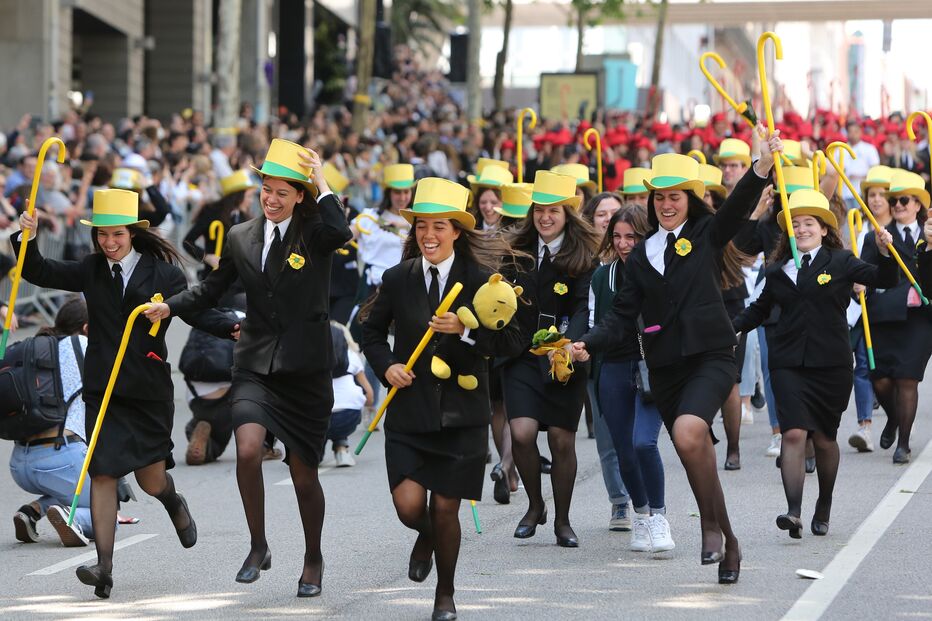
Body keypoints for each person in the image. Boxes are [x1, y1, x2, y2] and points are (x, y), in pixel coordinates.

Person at [144, 139, 351, 596]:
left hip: (306, 371)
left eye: (282, 191)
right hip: (256, 363)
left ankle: (312, 556)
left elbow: (341, 232)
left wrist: (321, 180)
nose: (271, 199)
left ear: (299, 195)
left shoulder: (315, 230)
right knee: (249, 447)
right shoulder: (241, 236)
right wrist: (170, 307)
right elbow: (211, 289)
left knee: (303, 476)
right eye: (265, 190)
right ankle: (258, 545)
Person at [574, 130, 781, 584]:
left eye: (677, 197)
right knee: (693, 452)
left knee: (689, 434)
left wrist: (761, 166)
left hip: (710, 355)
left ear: (690, 200)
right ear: (652, 201)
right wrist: (587, 341)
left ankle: (709, 527)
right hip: (666, 368)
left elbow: (735, 209)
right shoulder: (641, 255)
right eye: (661, 197)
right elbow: (621, 315)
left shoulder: (706, 233)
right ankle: (729, 541)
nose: (668, 205)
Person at [14, 189, 237, 598]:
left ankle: (173, 501)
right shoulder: (91, 268)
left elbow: (197, 310)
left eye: (116, 234)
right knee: (103, 472)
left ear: (133, 232)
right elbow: (40, 272)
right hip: (103, 388)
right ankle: (104, 566)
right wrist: (25, 238)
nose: (108, 243)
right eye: (101, 235)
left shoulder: (165, 274)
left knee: (151, 480)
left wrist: (232, 327)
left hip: (147, 390)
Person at [362, 178, 525, 621]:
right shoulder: (398, 278)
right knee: (409, 506)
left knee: (446, 506)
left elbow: (511, 341)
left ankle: (445, 594)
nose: (429, 236)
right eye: (421, 227)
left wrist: (467, 331)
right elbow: (370, 332)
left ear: (457, 230)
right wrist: (387, 366)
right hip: (410, 412)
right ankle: (425, 535)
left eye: (439, 226)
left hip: (462, 417)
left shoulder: (483, 280)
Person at [732, 189, 897, 537]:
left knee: (823, 439)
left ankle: (824, 502)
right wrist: (727, 330)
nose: (802, 229)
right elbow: (758, 310)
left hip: (831, 365)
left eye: (809, 223)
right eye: (795, 224)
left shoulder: (841, 261)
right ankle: (793, 511)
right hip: (788, 363)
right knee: (793, 433)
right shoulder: (777, 270)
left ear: (824, 229)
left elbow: (885, 279)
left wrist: (884, 252)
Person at [503, 170, 599, 548]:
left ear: (567, 213)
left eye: (554, 210)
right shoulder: (516, 251)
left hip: (564, 356)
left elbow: (581, 306)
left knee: (561, 440)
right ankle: (534, 504)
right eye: (539, 210)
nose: (545, 217)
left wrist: (569, 343)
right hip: (522, 355)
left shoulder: (582, 255)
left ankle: (562, 519)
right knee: (523, 433)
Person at [590, 206, 673, 552]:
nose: (624, 244)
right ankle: (640, 515)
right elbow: (597, 323)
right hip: (611, 366)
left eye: (632, 237)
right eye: (617, 236)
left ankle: (659, 516)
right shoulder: (601, 278)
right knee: (623, 449)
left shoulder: (662, 269)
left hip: (651, 366)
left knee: (644, 443)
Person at [859, 170, 931, 464]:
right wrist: (858, 283)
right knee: (881, 380)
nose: (898, 205)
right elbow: (864, 272)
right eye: (894, 200)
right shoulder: (875, 235)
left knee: (907, 379)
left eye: (904, 200)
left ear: (917, 205)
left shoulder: (929, 235)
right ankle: (892, 419)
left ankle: (903, 443)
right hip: (883, 316)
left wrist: (929, 247)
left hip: (918, 319)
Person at [8, 297, 92, 547]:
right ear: (87, 328)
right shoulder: (83, 344)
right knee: (108, 509)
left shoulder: (34, 348)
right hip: (61, 458)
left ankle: (31, 511)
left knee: (65, 488)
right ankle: (72, 516)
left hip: (20, 464)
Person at [580, 190, 630, 530]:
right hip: (601, 362)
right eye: (603, 215)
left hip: (639, 363)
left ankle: (647, 500)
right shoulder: (592, 269)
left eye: (616, 215)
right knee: (608, 438)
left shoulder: (646, 264)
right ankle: (620, 502)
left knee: (638, 439)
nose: (609, 221)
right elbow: (595, 320)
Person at [847, 165, 893, 452]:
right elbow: (864, 272)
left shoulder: (907, 230)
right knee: (863, 366)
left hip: (903, 315)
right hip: (872, 311)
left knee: (894, 373)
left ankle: (898, 419)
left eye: (882, 195)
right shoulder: (865, 236)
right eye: (871, 194)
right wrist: (859, 285)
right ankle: (865, 427)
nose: (875, 200)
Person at [183, 169, 258, 279]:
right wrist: (206, 257)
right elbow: (187, 241)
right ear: (237, 196)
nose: (251, 201)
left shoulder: (244, 216)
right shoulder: (213, 213)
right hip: (215, 277)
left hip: (237, 279)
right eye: (249, 196)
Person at [327, 321, 373, 468]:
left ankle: (314, 454)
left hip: (316, 421)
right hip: (347, 416)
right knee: (346, 408)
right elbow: (369, 396)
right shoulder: (351, 357)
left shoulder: (308, 357)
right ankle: (341, 448)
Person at [467, 161, 513, 232]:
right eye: (483, 202)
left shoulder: (515, 233)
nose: (488, 208)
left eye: (494, 202)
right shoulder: (468, 231)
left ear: (505, 203)